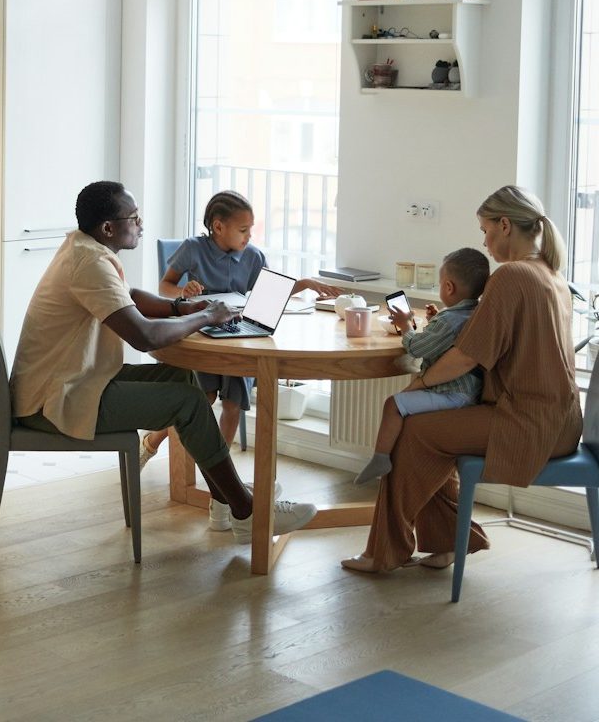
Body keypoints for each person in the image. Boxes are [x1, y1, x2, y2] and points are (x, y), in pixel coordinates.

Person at [11, 180, 319, 543]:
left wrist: (181, 308)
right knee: (189, 402)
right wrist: (206, 317)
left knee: (183, 378)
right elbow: (145, 337)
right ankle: (247, 511)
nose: (141, 224)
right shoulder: (88, 263)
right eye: (134, 217)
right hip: (54, 401)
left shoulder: (84, 248)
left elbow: (128, 296)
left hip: (72, 382)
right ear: (108, 228)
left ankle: (227, 498)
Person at [341, 185, 583, 574]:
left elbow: (467, 356)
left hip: (528, 422)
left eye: (486, 230)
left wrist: (420, 384)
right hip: (561, 421)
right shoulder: (551, 274)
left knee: (413, 430)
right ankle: (448, 541)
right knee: (427, 430)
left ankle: (385, 553)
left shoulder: (512, 276)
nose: (484, 242)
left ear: (505, 226)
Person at [145, 189, 343, 530]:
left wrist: (306, 283)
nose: (249, 236)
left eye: (251, 229)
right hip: (202, 335)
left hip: (238, 337)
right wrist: (183, 293)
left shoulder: (253, 256)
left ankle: (220, 492)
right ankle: (152, 441)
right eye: (243, 229)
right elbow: (165, 286)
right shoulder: (193, 248)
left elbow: (269, 293)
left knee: (233, 404)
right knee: (201, 398)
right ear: (218, 226)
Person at [353, 247, 490, 485]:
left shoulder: (448, 320)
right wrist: (434, 321)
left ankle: (381, 457)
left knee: (393, 404)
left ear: (449, 287)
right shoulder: (474, 313)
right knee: (403, 403)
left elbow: (417, 348)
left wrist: (406, 326)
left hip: (452, 394)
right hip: (468, 392)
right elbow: (446, 342)